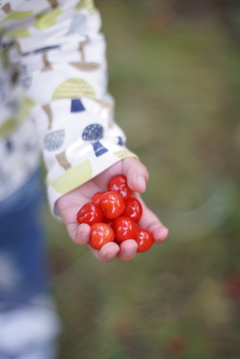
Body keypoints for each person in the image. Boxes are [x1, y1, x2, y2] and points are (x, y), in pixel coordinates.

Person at [0, 0, 169, 357]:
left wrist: (83, 147)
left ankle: (19, 324)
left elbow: (55, 31)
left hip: (7, 174)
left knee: (11, 251)